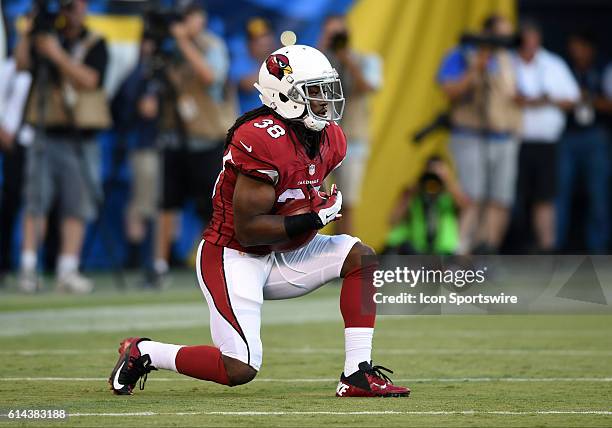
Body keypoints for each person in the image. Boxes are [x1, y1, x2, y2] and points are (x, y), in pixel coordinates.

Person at [109, 44, 410, 398]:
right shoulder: (259, 138)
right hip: (234, 254)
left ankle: (356, 374)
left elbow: (303, 185)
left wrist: (316, 203)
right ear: (285, 95)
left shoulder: (331, 138)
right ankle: (145, 352)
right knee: (238, 367)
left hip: (283, 252)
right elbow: (248, 230)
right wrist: (312, 218)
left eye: (326, 90)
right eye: (314, 91)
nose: (325, 100)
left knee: (362, 258)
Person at [15, 0, 110, 293]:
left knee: (76, 205)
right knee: (36, 202)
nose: (72, 12)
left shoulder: (95, 42)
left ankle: (67, 269)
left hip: (80, 135)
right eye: (67, 6)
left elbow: (89, 80)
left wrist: (56, 55)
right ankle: (28, 268)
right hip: (46, 132)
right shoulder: (44, 38)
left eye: (77, 6)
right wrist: (27, 34)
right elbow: (20, 64)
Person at [152, 2, 232, 287]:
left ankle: (209, 264)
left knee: (213, 209)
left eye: (189, 17)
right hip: (174, 137)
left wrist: (184, 41)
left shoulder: (212, 45)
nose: (184, 23)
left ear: (201, 18)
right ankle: (159, 266)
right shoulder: (168, 47)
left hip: (207, 138)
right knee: (166, 203)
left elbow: (210, 76)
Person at [437, 15, 521, 255]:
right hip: (470, 136)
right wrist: (475, 68)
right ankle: (461, 254)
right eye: (500, 35)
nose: (504, 41)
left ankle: (487, 253)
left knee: (500, 200)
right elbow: (449, 91)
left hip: (505, 137)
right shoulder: (461, 55)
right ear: (486, 34)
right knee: (471, 197)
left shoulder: (507, 60)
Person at [512, 19, 579, 252]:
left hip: (546, 142)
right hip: (515, 141)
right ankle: (511, 245)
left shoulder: (553, 64)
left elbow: (573, 99)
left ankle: (546, 247)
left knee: (545, 196)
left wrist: (545, 100)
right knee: (512, 197)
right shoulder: (507, 62)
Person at [319, 15, 382, 235]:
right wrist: (320, 52)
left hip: (352, 140)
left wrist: (347, 59)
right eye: (330, 34)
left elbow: (369, 87)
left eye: (339, 34)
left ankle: (343, 257)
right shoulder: (317, 63)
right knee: (313, 199)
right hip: (320, 139)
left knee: (346, 204)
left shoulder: (365, 60)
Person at [556, 31, 612, 253]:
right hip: (567, 136)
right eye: (574, 46)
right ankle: (557, 247)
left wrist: (588, 97)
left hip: (595, 137)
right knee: (560, 192)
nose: (577, 51)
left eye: (581, 46)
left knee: (598, 193)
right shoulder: (564, 71)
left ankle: (598, 247)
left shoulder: (602, 71)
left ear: (591, 48)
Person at [384, 157, 468, 255]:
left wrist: (447, 182)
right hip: (417, 251)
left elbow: (466, 208)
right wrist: (410, 193)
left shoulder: (450, 197)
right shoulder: (414, 195)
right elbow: (393, 220)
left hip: (445, 253)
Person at [0, 57, 32, 287]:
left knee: (32, 202)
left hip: (34, 142)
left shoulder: (43, 66)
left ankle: (25, 263)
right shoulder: (9, 67)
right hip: (9, 140)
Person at [230, 17, 277, 114]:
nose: (264, 42)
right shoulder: (240, 61)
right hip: (248, 122)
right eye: (257, 39)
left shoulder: (276, 59)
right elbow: (247, 85)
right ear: (249, 43)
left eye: (266, 36)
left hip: (273, 121)